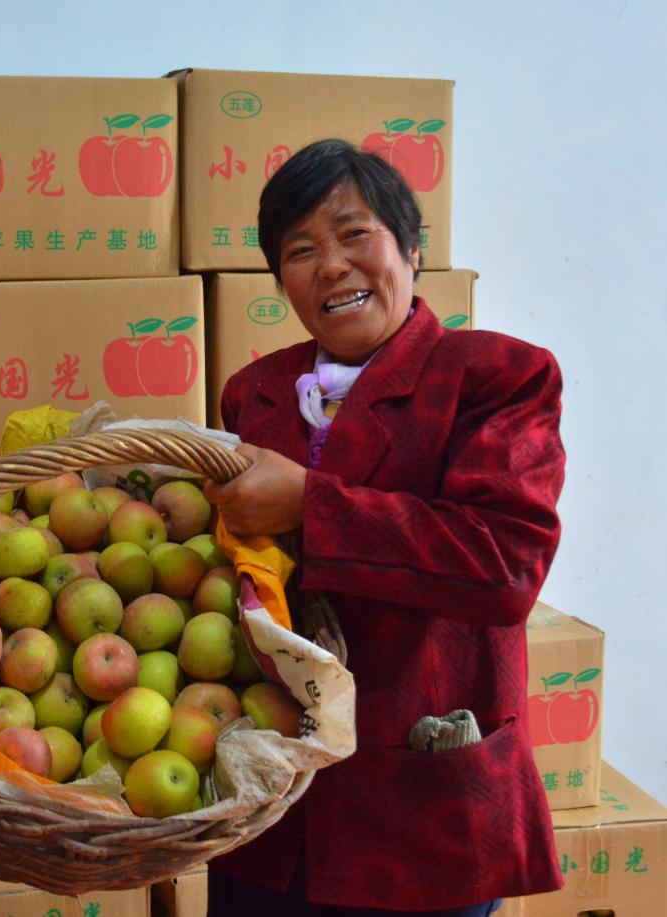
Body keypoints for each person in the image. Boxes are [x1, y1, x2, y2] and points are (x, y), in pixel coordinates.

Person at [203, 139, 565, 915]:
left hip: (417, 807)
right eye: (300, 250)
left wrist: (313, 503)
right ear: (282, 283)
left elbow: (505, 565)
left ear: (411, 249)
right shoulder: (256, 394)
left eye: (353, 234)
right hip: (272, 812)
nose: (330, 264)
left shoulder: (495, 375)